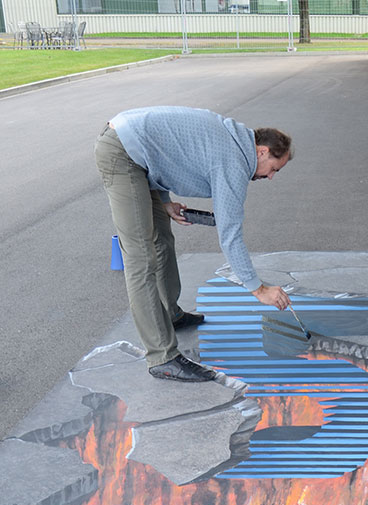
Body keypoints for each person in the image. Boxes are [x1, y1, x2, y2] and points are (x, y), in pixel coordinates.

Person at [95, 107, 293, 382]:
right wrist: (258, 290)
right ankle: (162, 357)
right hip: (122, 153)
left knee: (162, 239)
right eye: (273, 169)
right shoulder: (234, 160)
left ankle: (171, 314)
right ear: (261, 151)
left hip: (136, 149)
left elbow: (162, 151)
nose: (270, 176)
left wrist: (164, 201)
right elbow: (230, 232)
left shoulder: (234, 141)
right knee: (142, 259)